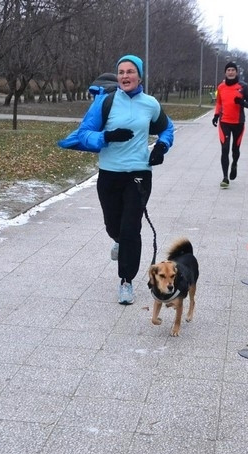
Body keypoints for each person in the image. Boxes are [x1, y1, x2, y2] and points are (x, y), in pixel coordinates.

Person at [57, 54, 174, 305]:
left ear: (139, 76)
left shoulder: (150, 104)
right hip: (109, 173)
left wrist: (161, 147)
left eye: (130, 71)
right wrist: (107, 137)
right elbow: (85, 133)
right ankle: (118, 240)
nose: (125, 76)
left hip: (139, 173)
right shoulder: (106, 103)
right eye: (121, 72)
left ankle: (126, 281)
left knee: (132, 227)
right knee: (114, 225)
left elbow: (167, 128)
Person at [212, 62, 248, 188]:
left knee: (235, 149)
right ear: (225, 72)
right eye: (228, 70)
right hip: (224, 122)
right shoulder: (221, 87)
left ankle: (234, 163)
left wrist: (241, 102)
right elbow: (219, 103)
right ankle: (225, 177)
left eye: (233, 70)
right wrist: (216, 115)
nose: (230, 72)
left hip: (238, 123)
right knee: (225, 149)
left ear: (236, 72)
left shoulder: (243, 86)